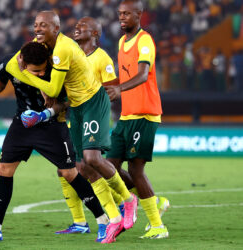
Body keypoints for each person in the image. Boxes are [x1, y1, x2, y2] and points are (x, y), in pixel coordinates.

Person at [11, 11, 137, 244]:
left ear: (56, 28)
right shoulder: (46, 49)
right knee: (81, 166)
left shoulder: (61, 49)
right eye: (36, 25)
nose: (38, 29)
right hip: (76, 107)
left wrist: (26, 73)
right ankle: (113, 217)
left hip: (93, 101)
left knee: (92, 158)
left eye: (44, 25)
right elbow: (49, 86)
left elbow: (52, 87)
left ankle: (129, 202)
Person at [0, 42, 108, 243]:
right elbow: (0, 79)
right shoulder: (9, 63)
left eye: (44, 69)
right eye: (37, 71)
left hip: (50, 125)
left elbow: (65, 101)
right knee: (4, 170)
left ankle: (102, 220)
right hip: (22, 124)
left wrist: (43, 114)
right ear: (22, 63)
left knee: (70, 173)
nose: (42, 74)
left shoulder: (55, 68)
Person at [52, 17, 124, 240]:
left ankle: (119, 206)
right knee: (67, 168)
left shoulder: (102, 58)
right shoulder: (71, 52)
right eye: (75, 26)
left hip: (94, 114)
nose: (76, 28)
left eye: (82, 27)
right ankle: (80, 221)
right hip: (74, 115)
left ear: (95, 34)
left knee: (90, 166)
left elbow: (112, 91)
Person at [104, 0, 169, 239]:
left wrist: (119, 90)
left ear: (139, 14)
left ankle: (157, 226)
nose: (121, 18)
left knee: (135, 168)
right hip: (126, 115)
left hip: (145, 113)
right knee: (108, 166)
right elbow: (124, 76)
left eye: (127, 14)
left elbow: (142, 74)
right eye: (119, 14)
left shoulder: (145, 40)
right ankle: (155, 200)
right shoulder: (122, 42)